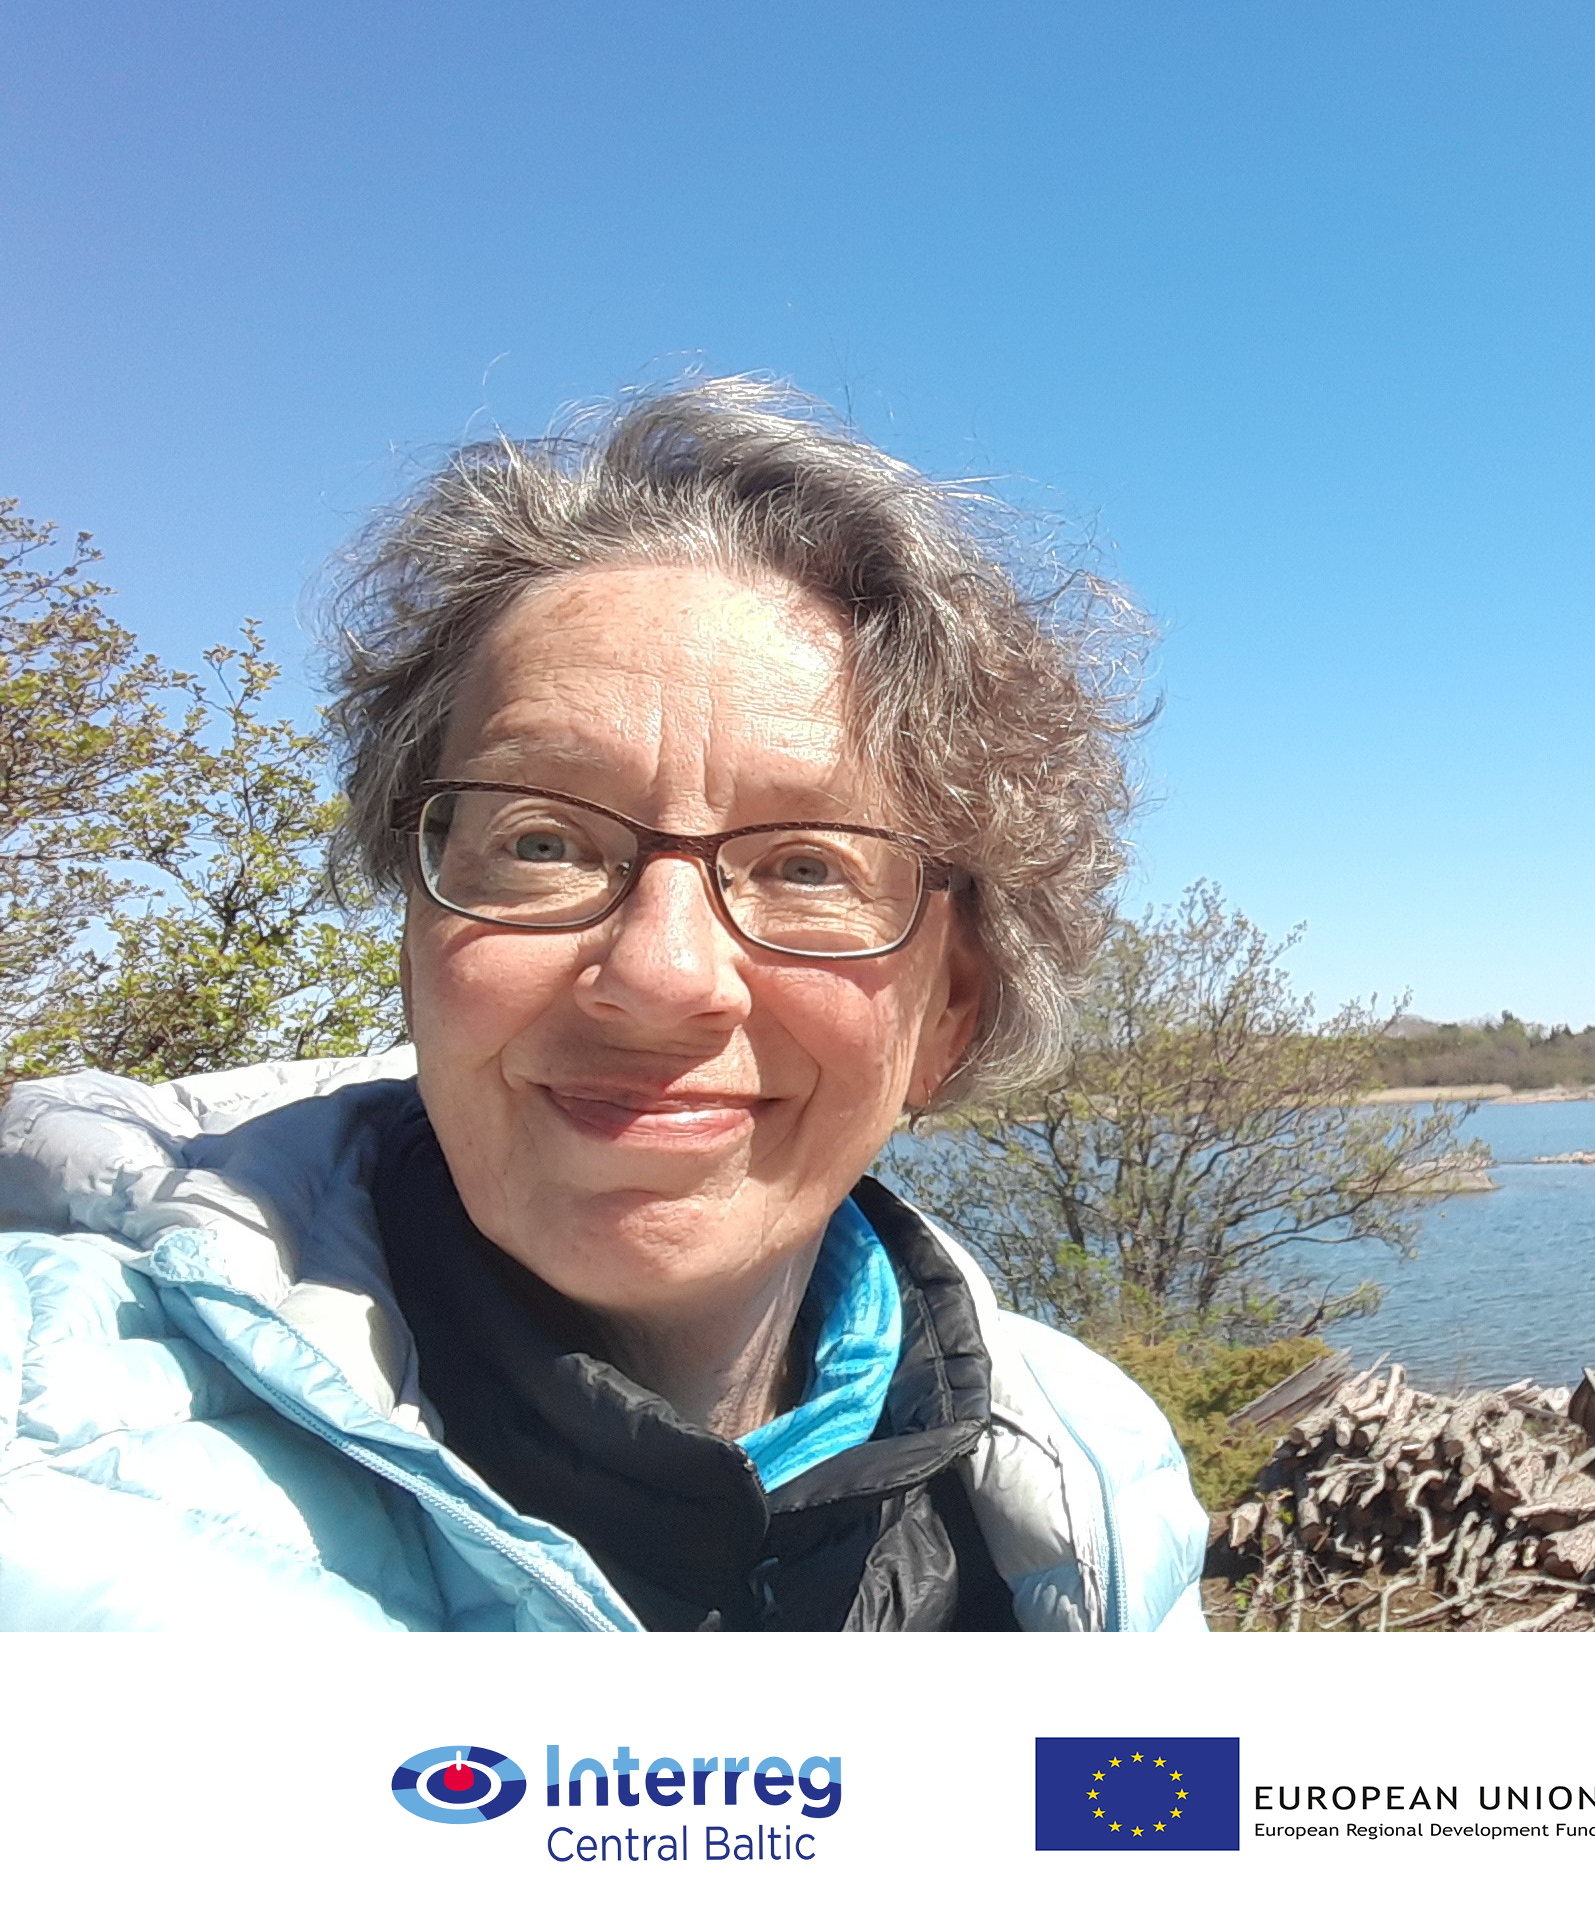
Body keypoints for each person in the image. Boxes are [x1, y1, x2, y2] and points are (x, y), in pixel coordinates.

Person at [0, 380, 1206, 1631]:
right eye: (541, 844)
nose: (661, 975)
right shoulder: (40, 1446)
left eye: (807, 867)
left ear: (948, 1016)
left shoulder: (1091, 1487)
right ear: (416, 937)